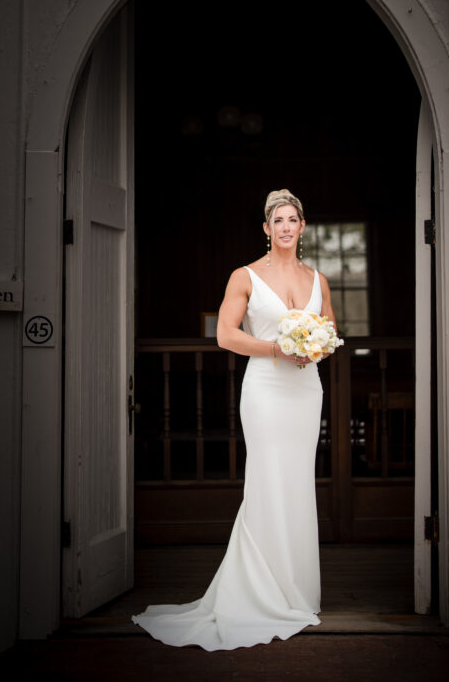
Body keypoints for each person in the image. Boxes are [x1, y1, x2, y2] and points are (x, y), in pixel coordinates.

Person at [132, 188, 338, 650]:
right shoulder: (243, 275)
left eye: (293, 220)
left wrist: (314, 346)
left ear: (302, 227)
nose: (285, 227)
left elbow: (330, 332)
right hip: (265, 386)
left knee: (298, 482)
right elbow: (226, 335)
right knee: (266, 479)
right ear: (266, 229)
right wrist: (276, 348)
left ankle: (297, 591)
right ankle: (257, 591)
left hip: (305, 389)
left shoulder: (318, 279)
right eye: (277, 221)